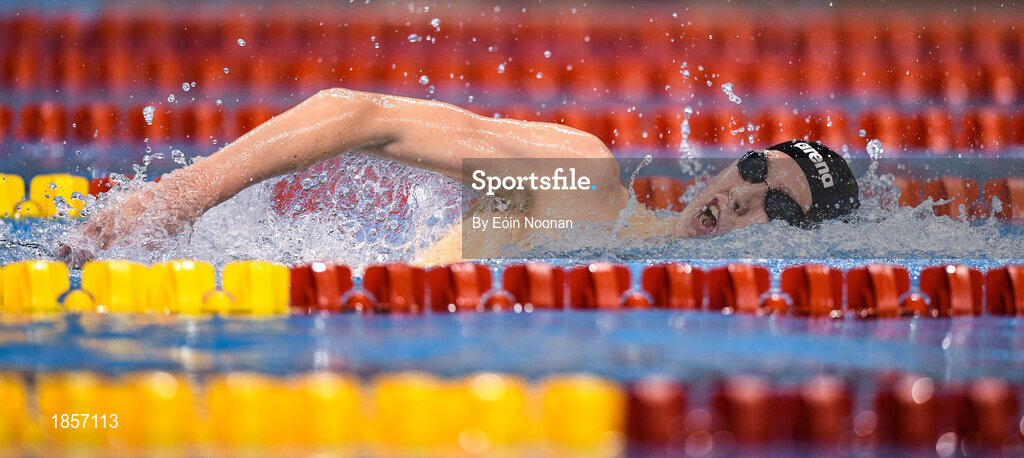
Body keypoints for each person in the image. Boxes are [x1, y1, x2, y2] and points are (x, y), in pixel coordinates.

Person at [58, 88, 859, 267]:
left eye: (777, 205)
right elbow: (357, 113)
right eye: (755, 167)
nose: (742, 193)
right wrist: (176, 200)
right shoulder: (581, 185)